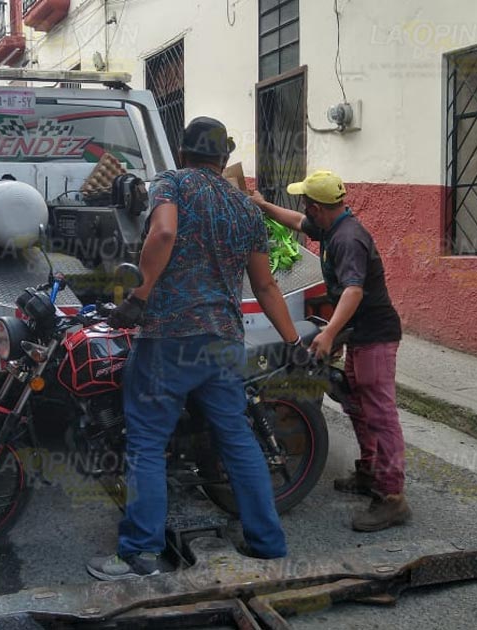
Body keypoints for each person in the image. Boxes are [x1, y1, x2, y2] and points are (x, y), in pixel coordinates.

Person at [86, 117, 304, 581]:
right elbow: (265, 284)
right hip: (223, 338)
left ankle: (139, 553)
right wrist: (294, 340)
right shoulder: (246, 208)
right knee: (237, 438)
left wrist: (139, 296)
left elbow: (163, 233)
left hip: (168, 335)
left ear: (182, 154)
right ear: (223, 158)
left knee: (145, 442)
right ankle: (268, 543)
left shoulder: (172, 183)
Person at [251, 171, 410, 532]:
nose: (304, 210)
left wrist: (329, 334)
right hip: (359, 333)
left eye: (307, 204)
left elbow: (353, 291)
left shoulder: (348, 239)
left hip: (375, 334)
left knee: (380, 412)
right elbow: (295, 221)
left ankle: (392, 498)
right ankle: (370, 472)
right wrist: (262, 206)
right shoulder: (331, 225)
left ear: (318, 206)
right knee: (356, 403)